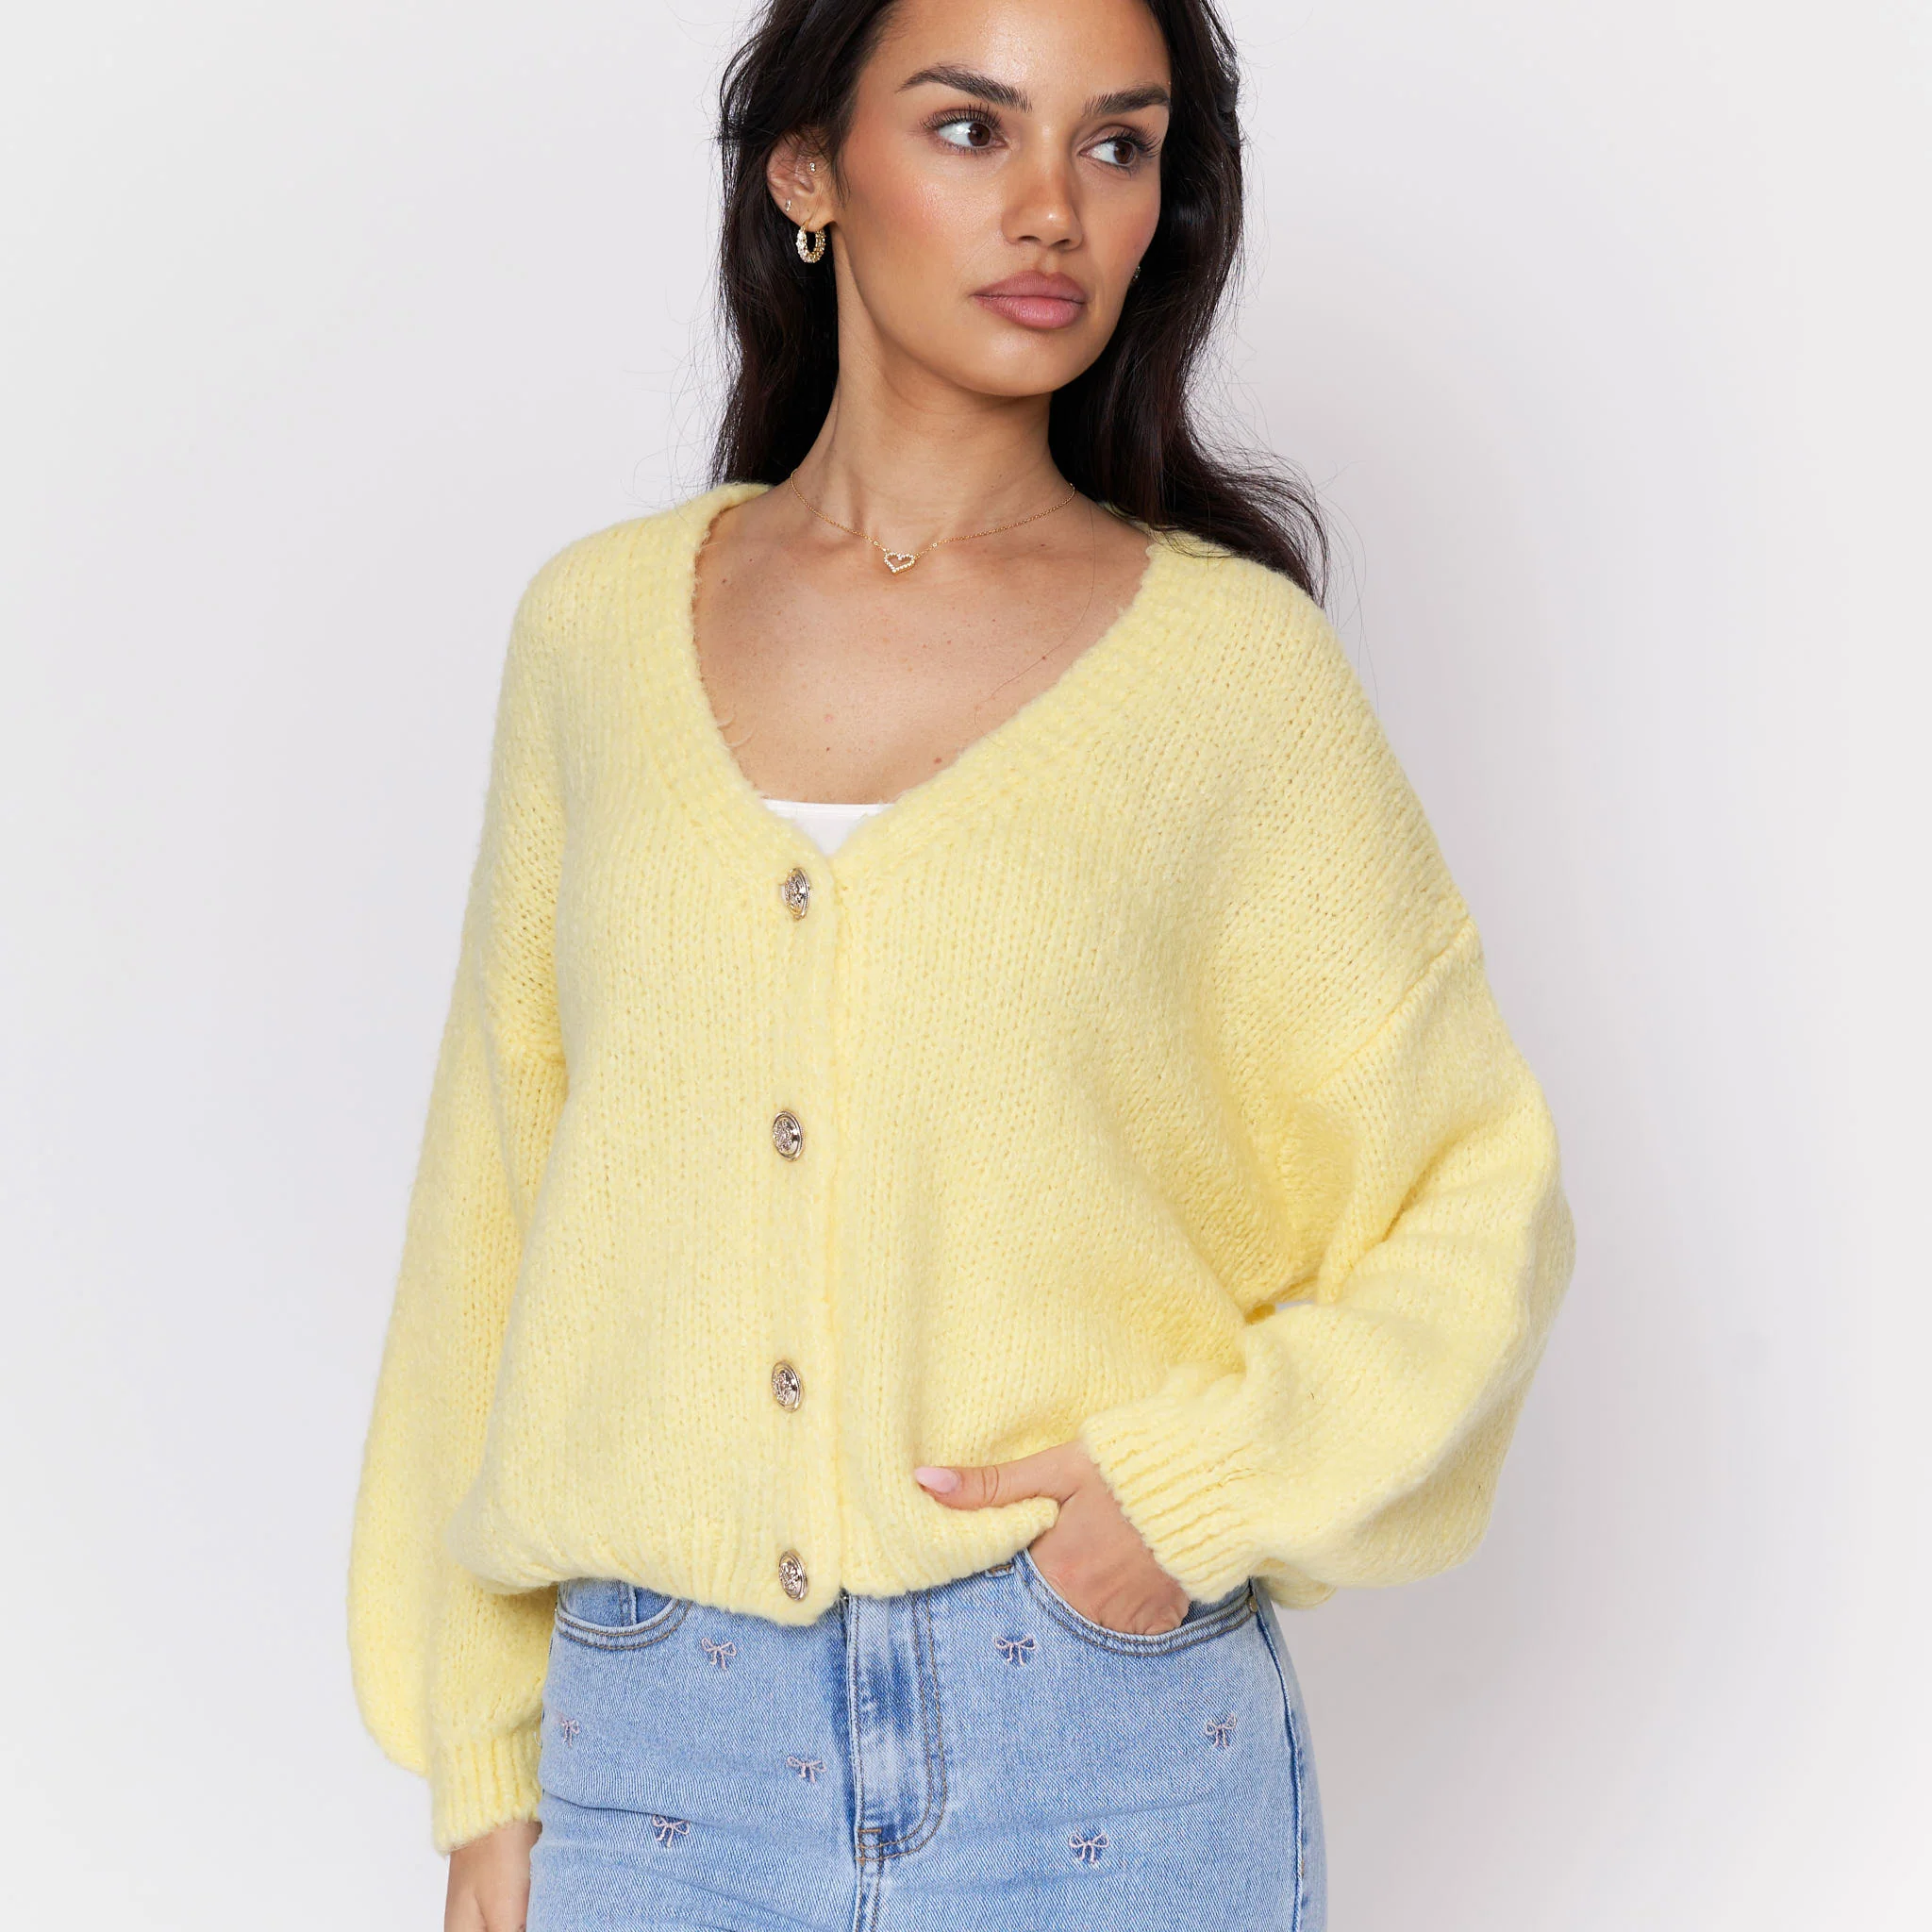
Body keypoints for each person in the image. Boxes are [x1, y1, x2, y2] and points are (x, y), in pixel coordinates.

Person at [345, 0, 1575, 1925]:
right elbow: (489, 1205)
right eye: (971, 128)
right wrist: (481, 1761)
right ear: (808, 170)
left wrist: (1188, 1497)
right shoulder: (592, 634)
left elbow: (1477, 1196)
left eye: (1116, 144)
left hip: (1093, 1746)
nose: (1053, 208)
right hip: (660, 1759)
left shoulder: (1232, 674)